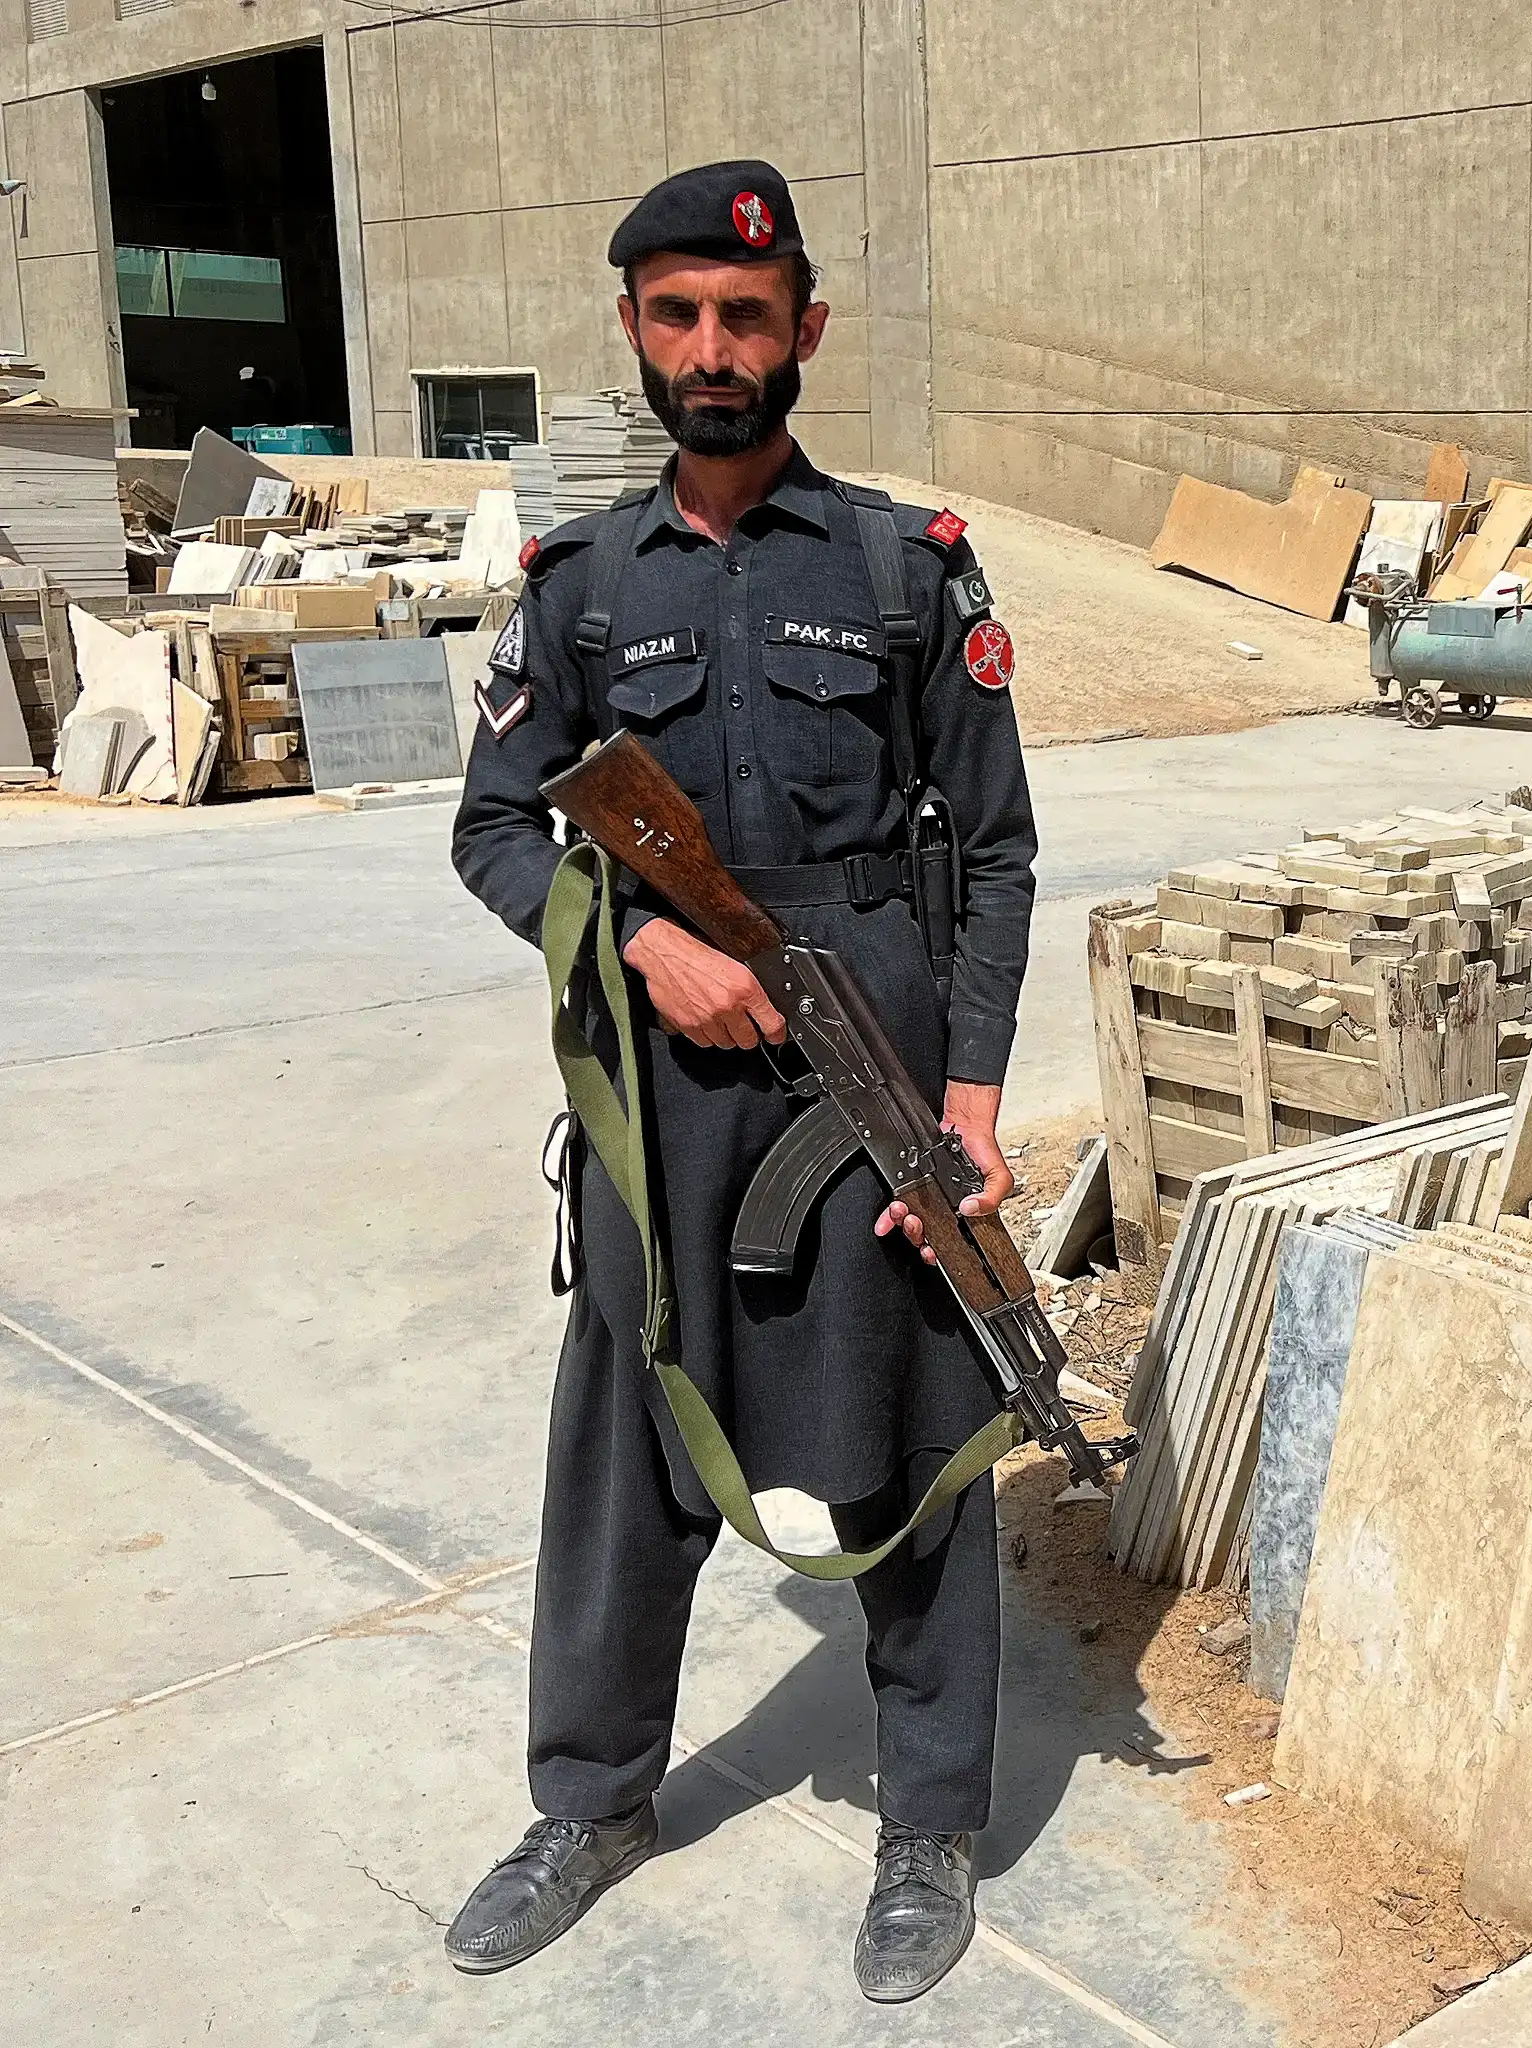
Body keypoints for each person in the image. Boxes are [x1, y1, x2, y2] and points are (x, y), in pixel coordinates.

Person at [446, 158, 1038, 2004]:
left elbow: (1000, 853)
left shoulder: (903, 571)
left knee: (920, 1443)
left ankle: (930, 1822)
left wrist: (973, 1108)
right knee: (626, 1452)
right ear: (635, 331)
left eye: (749, 318)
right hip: (660, 1092)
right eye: (682, 314)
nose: (716, 349)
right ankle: (594, 1802)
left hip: (867, 1064)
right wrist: (633, 939)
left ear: (805, 337)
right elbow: (488, 829)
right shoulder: (575, 586)